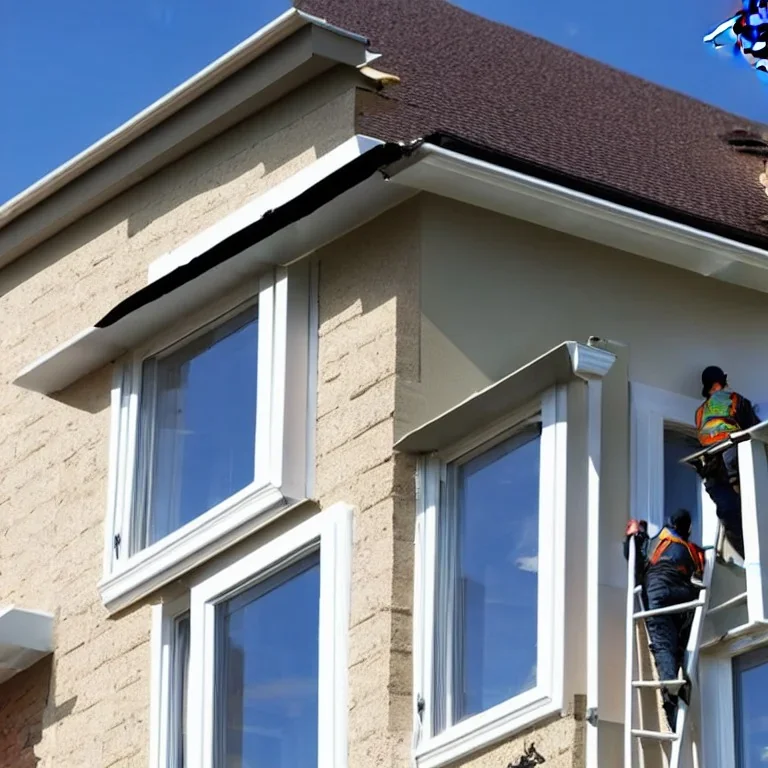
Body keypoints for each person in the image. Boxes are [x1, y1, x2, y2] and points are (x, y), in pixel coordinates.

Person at [624, 510, 705, 730]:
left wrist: (634, 536)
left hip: (658, 592)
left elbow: (634, 560)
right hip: (683, 595)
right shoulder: (692, 550)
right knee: (679, 644)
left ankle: (672, 698)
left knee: (662, 643)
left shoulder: (655, 542)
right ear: (687, 528)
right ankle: (677, 697)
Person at [695, 366, 759, 558]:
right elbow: (754, 430)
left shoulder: (700, 412)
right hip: (735, 464)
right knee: (753, 510)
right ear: (719, 383)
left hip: (713, 472)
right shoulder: (735, 400)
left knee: (732, 519)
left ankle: (750, 556)